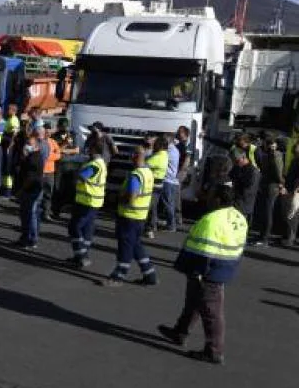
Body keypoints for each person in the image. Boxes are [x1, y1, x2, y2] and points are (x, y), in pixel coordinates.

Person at [158, 183, 248, 364]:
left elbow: (205, 252)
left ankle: (214, 350)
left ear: (218, 199)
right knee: (193, 301)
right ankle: (180, 332)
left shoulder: (212, 219)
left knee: (211, 311)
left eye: (211, 194)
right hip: (225, 266)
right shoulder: (238, 216)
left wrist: (198, 272)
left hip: (208, 270)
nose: (206, 197)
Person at [106, 147, 159, 286]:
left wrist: (118, 198)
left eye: (133, 155)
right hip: (140, 216)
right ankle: (149, 274)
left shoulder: (136, 175)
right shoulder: (148, 173)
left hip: (129, 215)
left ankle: (119, 276)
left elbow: (132, 196)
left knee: (125, 246)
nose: (131, 157)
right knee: (135, 245)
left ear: (137, 157)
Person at [68, 138, 107, 269]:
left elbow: (82, 176)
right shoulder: (101, 162)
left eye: (89, 148)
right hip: (93, 201)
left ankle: (82, 255)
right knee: (87, 229)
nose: (87, 150)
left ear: (94, 150)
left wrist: (77, 172)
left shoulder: (94, 165)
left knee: (75, 227)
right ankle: (81, 256)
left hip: (87, 201)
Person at [15, 132, 45, 249]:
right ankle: (30, 238)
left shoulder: (33, 159)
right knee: (33, 214)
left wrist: (21, 191)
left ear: (36, 145)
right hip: (35, 189)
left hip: (30, 190)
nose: (27, 145)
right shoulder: (35, 156)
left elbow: (29, 178)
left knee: (29, 215)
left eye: (29, 144)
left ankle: (29, 239)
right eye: (27, 143)